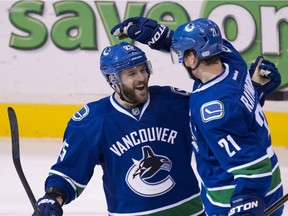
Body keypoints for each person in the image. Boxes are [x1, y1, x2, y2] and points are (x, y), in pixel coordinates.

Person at [110, 17, 283, 216]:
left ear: (193, 57)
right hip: (272, 183)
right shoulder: (231, 59)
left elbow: (253, 167)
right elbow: (241, 118)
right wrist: (156, 34)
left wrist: (246, 204)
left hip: (232, 198)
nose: (182, 61)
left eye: (183, 55)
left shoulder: (213, 109)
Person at [33, 41, 206, 216]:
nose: (141, 77)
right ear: (112, 80)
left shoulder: (174, 102)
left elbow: (216, 119)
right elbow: (69, 171)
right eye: (131, 73)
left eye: (143, 69)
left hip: (190, 210)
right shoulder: (93, 121)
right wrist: (53, 197)